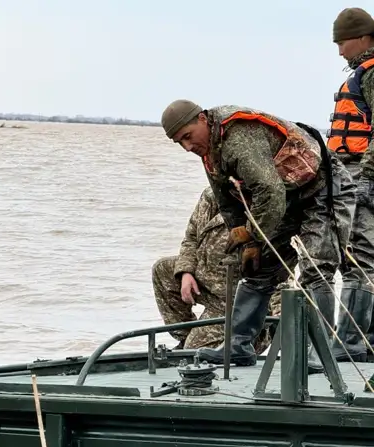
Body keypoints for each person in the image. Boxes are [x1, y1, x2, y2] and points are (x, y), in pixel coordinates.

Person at [160, 99, 354, 368]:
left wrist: (253, 235)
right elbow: (228, 203)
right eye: (179, 142)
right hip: (288, 196)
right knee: (257, 267)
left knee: (316, 267)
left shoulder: (238, 139)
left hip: (323, 188)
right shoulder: (210, 153)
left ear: (202, 120)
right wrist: (246, 241)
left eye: (188, 137)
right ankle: (239, 345)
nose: (187, 147)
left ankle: (319, 352)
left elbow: (270, 192)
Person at [152, 186, 278, 353]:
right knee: (163, 269)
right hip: (207, 279)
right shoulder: (213, 195)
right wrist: (186, 272)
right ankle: (187, 338)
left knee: (195, 352)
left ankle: (242, 343)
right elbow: (191, 238)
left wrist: (278, 321)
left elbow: (279, 274)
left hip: (237, 302)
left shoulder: (268, 208)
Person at [328, 7, 374, 362]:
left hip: (361, 172)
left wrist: (367, 181)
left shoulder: (371, 75)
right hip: (353, 171)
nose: (340, 50)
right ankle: (363, 340)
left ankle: (350, 343)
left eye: (343, 42)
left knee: (358, 258)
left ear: (363, 38)